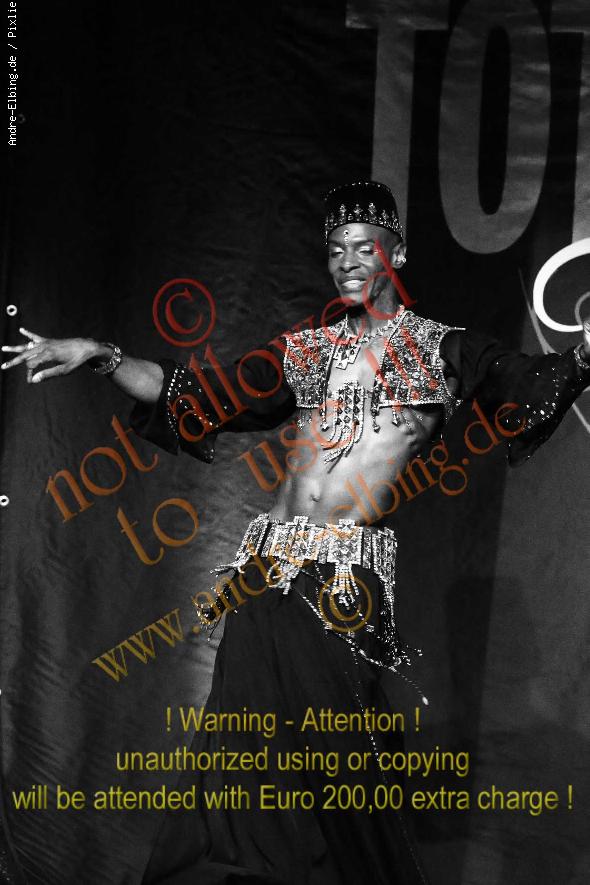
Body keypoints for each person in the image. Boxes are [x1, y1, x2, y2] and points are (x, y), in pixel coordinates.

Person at [2, 181, 590, 884]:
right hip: (264, 572)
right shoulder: (306, 351)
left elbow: (527, 383)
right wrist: (102, 354)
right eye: (335, 249)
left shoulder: (444, 351)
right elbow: (201, 394)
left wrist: (584, 354)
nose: (346, 262)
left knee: (342, 768)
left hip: (343, 583)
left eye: (363, 246)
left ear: (397, 252)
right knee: (245, 762)